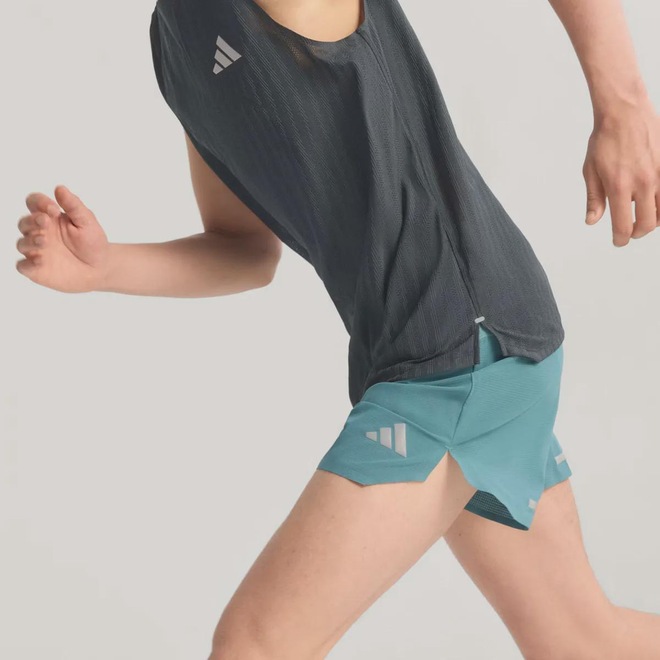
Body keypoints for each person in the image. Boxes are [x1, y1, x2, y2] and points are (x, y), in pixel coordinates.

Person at [15, 0, 660, 657]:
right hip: (458, 342)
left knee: (255, 646)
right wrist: (104, 268)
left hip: (459, 343)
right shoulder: (178, 35)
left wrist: (624, 105)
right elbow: (244, 250)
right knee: (585, 642)